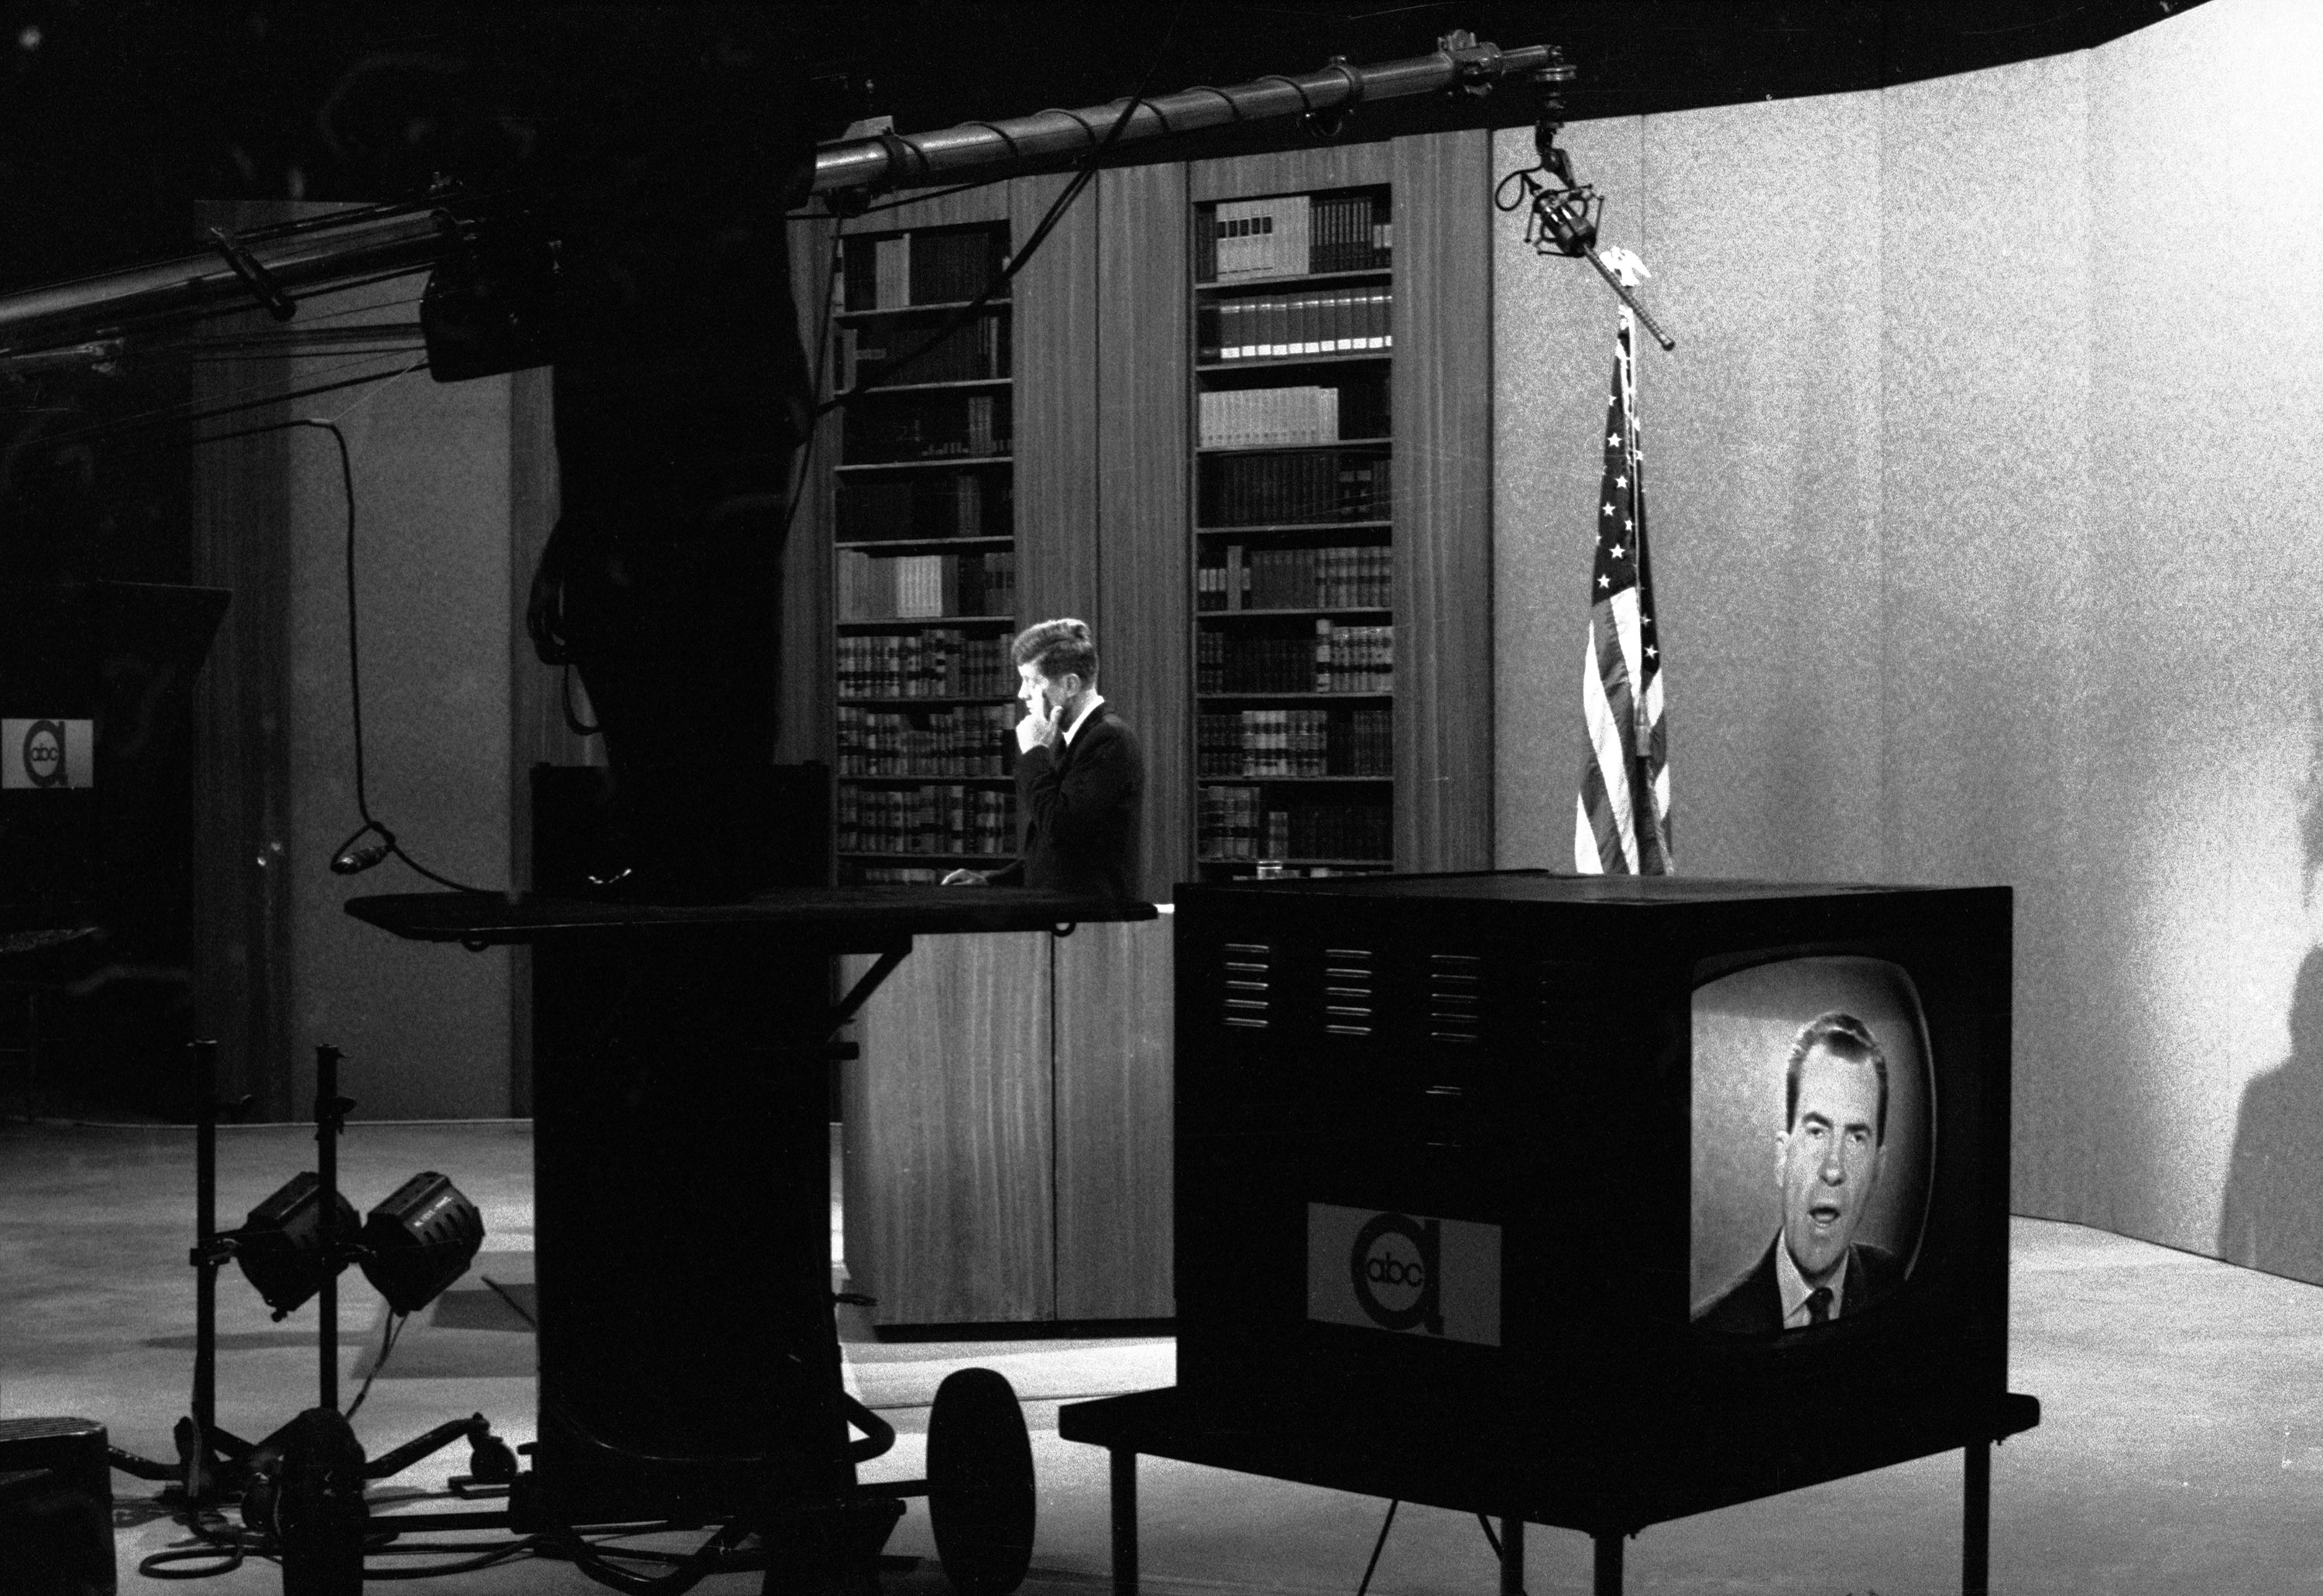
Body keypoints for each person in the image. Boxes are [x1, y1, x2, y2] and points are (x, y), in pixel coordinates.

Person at [1695, 1011, 1905, 1333]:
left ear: (1878, 1169)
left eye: (1856, 1137)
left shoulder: (1893, 1286)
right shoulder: (1713, 1327)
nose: (1833, 1169)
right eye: (1817, 1132)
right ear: (1783, 1157)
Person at [942, 618, 1143, 901]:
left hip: (1090, 923)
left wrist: (1035, 752)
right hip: (1067, 917)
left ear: (1070, 684)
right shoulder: (1076, 737)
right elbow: (1053, 852)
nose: (1022, 694)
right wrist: (990, 881)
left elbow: (1061, 830)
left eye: (1031, 681)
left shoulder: (1109, 739)